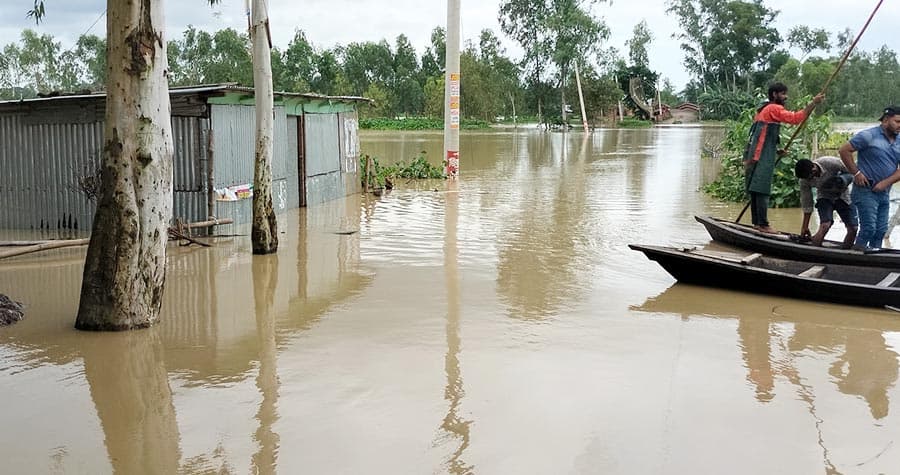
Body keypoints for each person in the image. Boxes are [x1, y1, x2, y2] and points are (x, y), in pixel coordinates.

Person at [743, 83, 825, 233]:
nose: (785, 97)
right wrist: (813, 103)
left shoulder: (763, 108)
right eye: (783, 94)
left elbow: (763, 134)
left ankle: (757, 223)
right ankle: (763, 224)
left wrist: (776, 149)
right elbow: (796, 118)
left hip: (755, 154)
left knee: (755, 188)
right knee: (761, 189)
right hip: (761, 155)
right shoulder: (774, 108)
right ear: (774, 94)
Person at [839, 105, 900, 250]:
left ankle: (874, 258)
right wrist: (857, 173)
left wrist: (885, 183)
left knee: (880, 231)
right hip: (866, 190)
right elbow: (844, 150)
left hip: (884, 191)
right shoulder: (868, 135)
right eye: (897, 122)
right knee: (868, 229)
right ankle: (855, 260)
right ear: (885, 120)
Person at [794, 157, 858, 248]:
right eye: (808, 179)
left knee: (853, 228)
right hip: (824, 196)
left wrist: (842, 180)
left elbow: (851, 172)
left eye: (812, 176)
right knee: (825, 225)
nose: (811, 179)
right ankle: (814, 251)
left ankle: (845, 253)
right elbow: (807, 203)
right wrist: (805, 226)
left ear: (814, 168)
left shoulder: (830, 162)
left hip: (843, 195)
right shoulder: (804, 181)